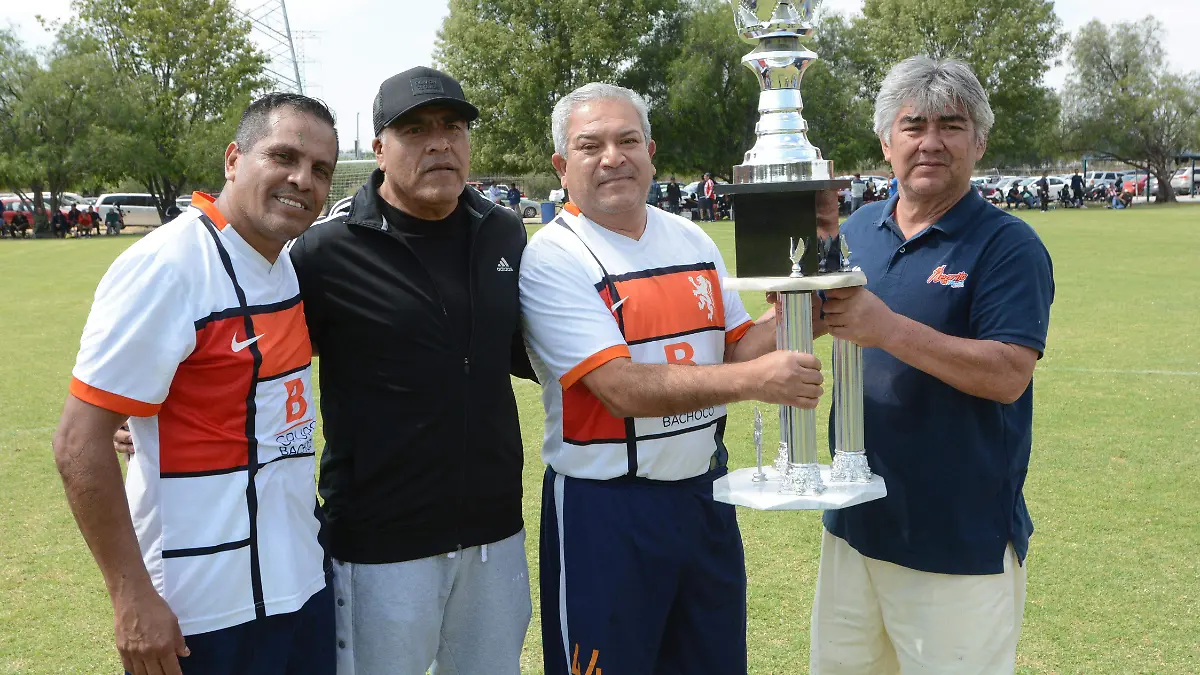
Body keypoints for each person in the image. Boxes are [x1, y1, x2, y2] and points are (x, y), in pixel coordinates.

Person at [521, 82, 826, 675]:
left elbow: (737, 348)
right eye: (591, 146)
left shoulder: (691, 237)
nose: (613, 157)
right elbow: (620, 388)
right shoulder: (555, 255)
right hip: (606, 509)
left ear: (651, 152)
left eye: (628, 140)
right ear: (561, 165)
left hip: (704, 498)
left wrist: (807, 307)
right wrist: (756, 380)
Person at [53, 92, 340, 675]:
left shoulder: (283, 263)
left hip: (300, 586)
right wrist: (131, 598)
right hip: (199, 609)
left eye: (320, 170)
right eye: (283, 156)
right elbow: (78, 443)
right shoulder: (167, 265)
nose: (301, 180)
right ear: (234, 160)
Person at [811, 55, 1054, 675]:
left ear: (979, 142)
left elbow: (1008, 373)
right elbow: (812, 318)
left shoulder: (1008, 245)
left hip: (956, 542)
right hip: (854, 526)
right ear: (886, 141)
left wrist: (888, 329)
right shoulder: (859, 229)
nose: (931, 142)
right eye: (913, 125)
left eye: (951, 125)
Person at [289, 66, 534, 675]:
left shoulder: (504, 232)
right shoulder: (325, 252)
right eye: (416, 130)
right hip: (380, 544)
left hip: (495, 534)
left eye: (453, 127)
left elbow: (533, 349)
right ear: (379, 149)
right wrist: (157, 411)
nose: (439, 143)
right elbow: (257, 357)